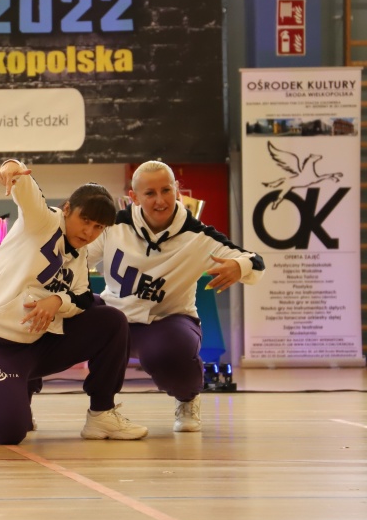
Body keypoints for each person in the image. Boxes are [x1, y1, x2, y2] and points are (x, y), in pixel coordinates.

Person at [0, 161, 148, 445]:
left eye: (98, 227)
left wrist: (57, 301)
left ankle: (102, 413)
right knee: (10, 432)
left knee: (110, 319)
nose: (89, 232)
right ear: (68, 208)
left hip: (36, 346)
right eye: (85, 220)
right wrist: (12, 167)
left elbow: (83, 297)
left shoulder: (80, 255)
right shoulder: (42, 220)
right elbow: (26, 187)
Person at [85, 160, 266, 433]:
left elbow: (256, 262)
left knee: (169, 352)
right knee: (61, 321)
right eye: (150, 193)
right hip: (115, 318)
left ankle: (187, 398)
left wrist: (239, 266)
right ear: (133, 197)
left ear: (177, 189)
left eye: (166, 190)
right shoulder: (112, 225)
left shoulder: (199, 236)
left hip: (167, 321)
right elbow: (76, 256)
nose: (160, 200)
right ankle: (82, 409)